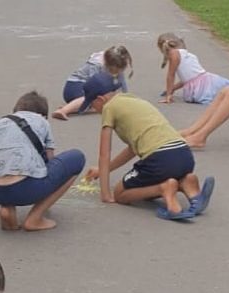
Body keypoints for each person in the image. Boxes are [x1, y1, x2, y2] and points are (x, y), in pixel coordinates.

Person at [83, 72, 215, 221]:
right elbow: (133, 149)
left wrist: (106, 194)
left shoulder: (109, 107)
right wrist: (102, 171)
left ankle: (165, 190)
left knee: (120, 193)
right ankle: (188, 185)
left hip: (160, 159)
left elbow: (104, 153)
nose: (93, 108)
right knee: (156, 180)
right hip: (184, 155)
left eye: (92, 104)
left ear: (100, 99)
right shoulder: (134, 100)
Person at [0, 91, 85, 231]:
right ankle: (35, 217)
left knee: (3, 167)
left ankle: (7, 208)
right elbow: (51, 162)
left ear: (15, 111)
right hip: (26, 188)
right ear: (43, 115)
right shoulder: (41, 121)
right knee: (77, 158)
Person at [156, 32, 229, 105]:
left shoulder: (175, 55)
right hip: (207, 82)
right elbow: (171, 75)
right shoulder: (179, 53)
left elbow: (187, 78)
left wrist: (171, 90)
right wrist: (170, 93)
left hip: (198, 88)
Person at [51, 45, 133, 120]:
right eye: (113, 70)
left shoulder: (118, 61)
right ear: (108, 64)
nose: (116, 72)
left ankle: (73, 107)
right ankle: (63, 110)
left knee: (105, 104)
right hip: (75, 86)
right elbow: (93, 87)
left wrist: (126, 99)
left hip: (91, 88)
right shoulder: (96, 64)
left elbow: (122, 83)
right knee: (95, 100)